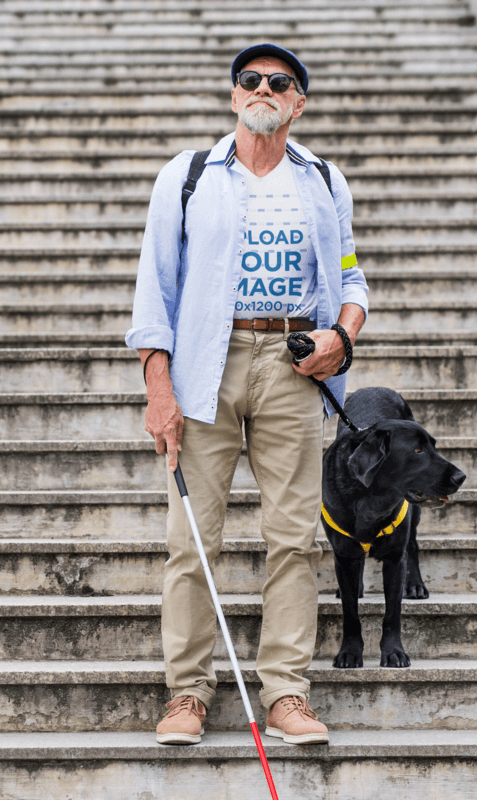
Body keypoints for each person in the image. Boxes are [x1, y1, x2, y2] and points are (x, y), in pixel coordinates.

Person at [125, 43, 369, 746]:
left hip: (294, 367)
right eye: (249, 79)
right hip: (208, 360)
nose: (263, 87)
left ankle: (287, 693)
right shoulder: (190, 176)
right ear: (234, 96)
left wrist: (342, 339)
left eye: (279, 81)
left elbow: (350, 280)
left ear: (297, 103)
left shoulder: (323, 180)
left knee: (293, 537)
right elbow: (155, 287)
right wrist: (158, 387)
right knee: (190, 539)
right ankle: (187, 694)